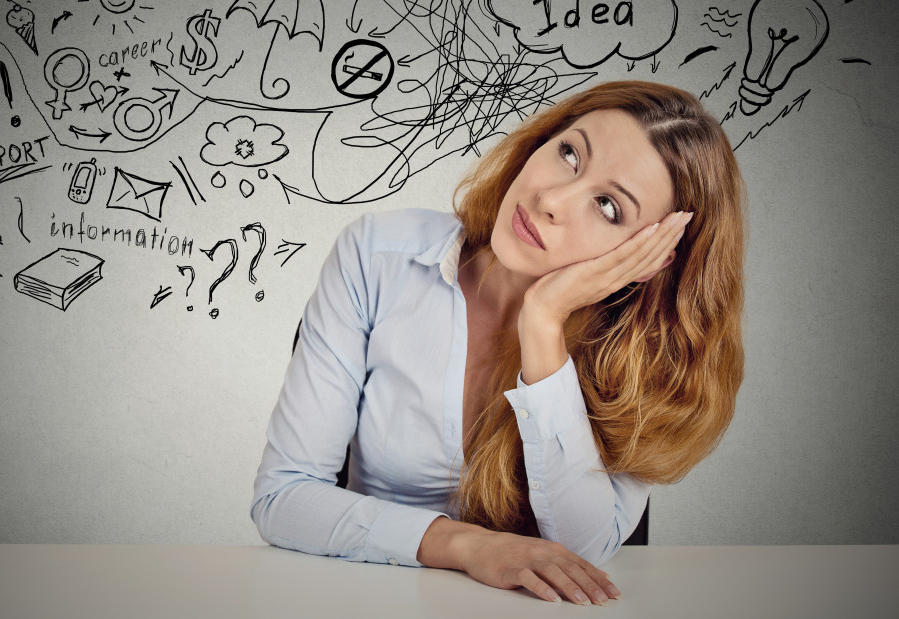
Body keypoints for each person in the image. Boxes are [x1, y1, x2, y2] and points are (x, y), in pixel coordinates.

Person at [251, 80, 746, 605]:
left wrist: (543, 322)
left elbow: (584, 550)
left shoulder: (647, 352)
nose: (550, 199)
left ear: (653, 256)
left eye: (607, 206)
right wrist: (465, 545)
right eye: (569, 153)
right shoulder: (377, 256)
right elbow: (284, 498)